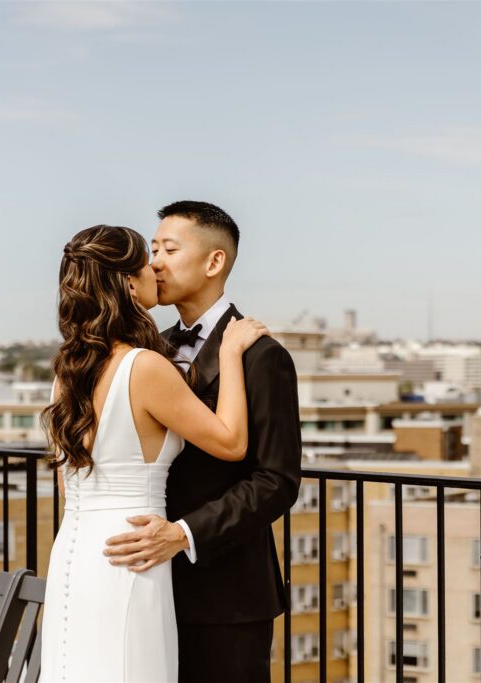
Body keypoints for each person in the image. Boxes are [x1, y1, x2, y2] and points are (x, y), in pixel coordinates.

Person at [40, 224, 270, 682]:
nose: (156, 267)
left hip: (76, 552)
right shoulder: (145, 366)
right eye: (149, 257)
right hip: (133, 551)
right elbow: (231, 442)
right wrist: (229, 354)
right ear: (128, 282)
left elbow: (69, 482)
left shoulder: (68, 371)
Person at [103, 201, 302, 683]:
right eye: (152, 250)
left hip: (225, 596)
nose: (154, 263)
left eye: (169, 249)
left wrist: (183, 533)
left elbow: (276, 480)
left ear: (214, 262)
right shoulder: (146, 353)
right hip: (148, 583)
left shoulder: (262, 356)